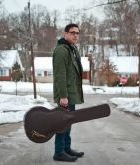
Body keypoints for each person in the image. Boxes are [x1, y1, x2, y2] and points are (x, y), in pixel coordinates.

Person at [52, 23, 84, 162]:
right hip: (65, 96)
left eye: (77, 33)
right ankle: (59, 152)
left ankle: (66, 148)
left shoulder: (72, 49)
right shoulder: (62, 50)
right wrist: (63, 96)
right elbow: (60, 75)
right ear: (65, 34)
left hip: (71, 94)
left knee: (68, 123)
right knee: (62, 124)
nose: (75, 35)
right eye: (72, 32)